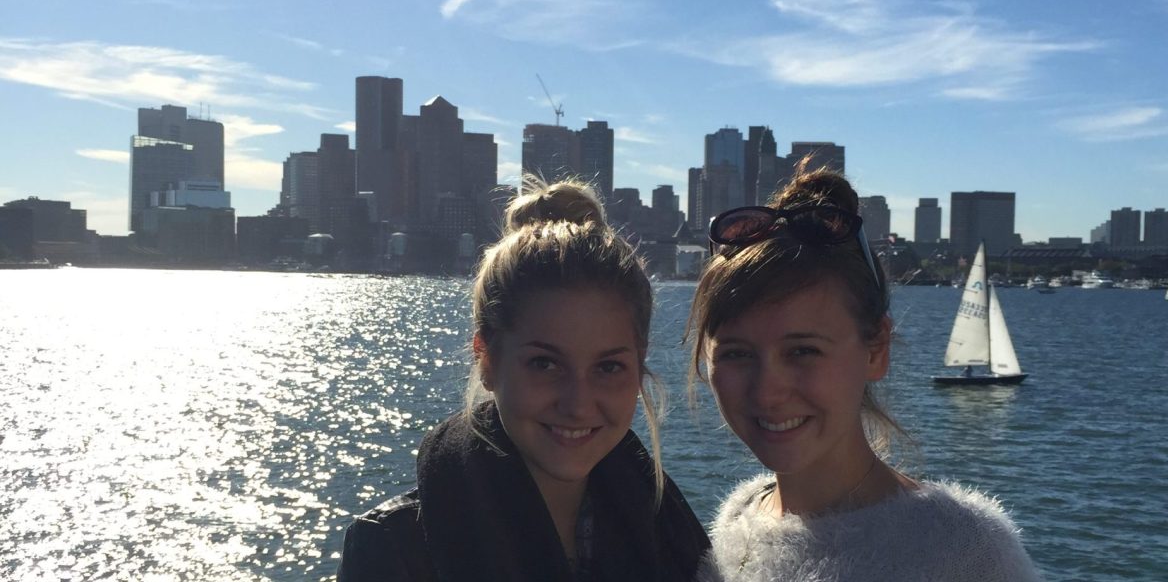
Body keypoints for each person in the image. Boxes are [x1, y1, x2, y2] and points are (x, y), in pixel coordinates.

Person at [337, 178, 710, 582]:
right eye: (544, 364)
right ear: (487, 360)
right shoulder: (395, 551)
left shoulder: (669, 533)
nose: (579, 404)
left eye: (608, 367)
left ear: (639, 366)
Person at [687, 163, 1040, 581]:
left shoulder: (964, 552)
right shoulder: (738, 517)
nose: (767, 392)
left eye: (803, 350)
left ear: (876, 349)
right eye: (737, 355)